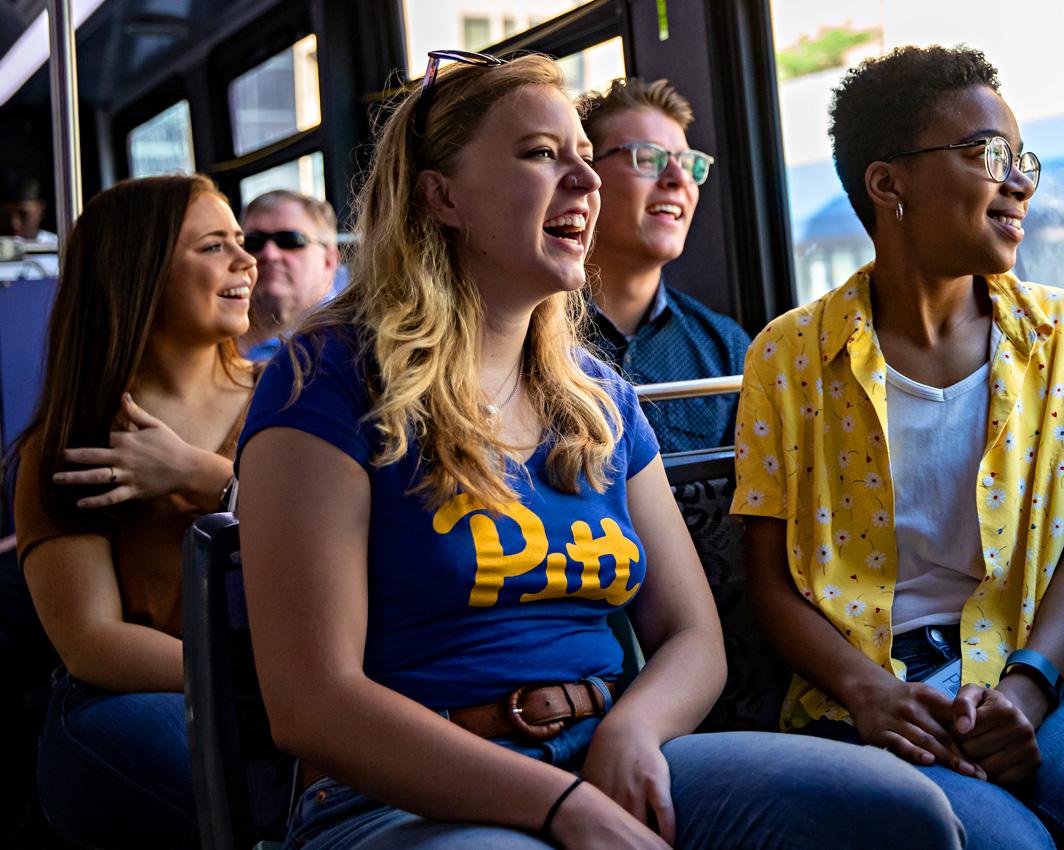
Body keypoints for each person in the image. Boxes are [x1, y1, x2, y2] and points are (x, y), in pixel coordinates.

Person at [235, 51, 963, 850]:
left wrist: (635, 731)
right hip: (404, 794)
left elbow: (693, 637)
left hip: (603, 747)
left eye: (585, 156)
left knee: (899, 813)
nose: (587, 181)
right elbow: (313, 701)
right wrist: (561, 806)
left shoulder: (598, 397)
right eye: (543, 155)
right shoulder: (327, 376)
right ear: (440, 195)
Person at [732, 46, 1064, 850]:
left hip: (1040, 675)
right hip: (867, 697)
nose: (1021, 182)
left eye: (1023, 159)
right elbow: (771, 581)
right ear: (888, 183)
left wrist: (1031, 687)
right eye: (987, 155)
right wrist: (869, 694)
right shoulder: (788, 357)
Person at [8, 173, 259, 850]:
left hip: (291, 680)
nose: (247, 259)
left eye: (240, 240)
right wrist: (268, 686)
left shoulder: (292, 398)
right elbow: (93, 641)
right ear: (139, 271)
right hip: (140, 691)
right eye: (214, 246)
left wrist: (199, 477)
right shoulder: (72, 439)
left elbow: (350, 536)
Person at [576, 78, 749, 453]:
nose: (677, 179)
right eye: (648, 157)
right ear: (585, 175)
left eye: (689, 164)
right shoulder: (524, 338)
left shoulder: (728, 350)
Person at [236, 189, 340, 361]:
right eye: (253, 242)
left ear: (329, 261)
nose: (270, 254)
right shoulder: (210, 341)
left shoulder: (353, 341)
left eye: (290, 240)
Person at [0, 169, 54, 243]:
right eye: (6, 216)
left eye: (23, 214)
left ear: (41, 210)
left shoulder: (58, 248)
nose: (15, 224)